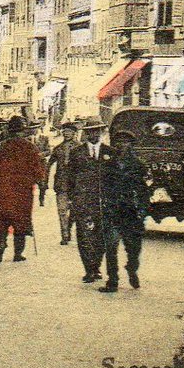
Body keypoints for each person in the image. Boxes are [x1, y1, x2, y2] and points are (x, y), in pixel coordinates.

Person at [0, 116, 46, 263]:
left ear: (9, 131)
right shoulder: (30, 147)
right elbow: (38, 172)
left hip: (1, 191)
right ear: (23, 131)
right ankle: (18, 254)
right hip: (22, 192)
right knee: (21, 222)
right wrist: (39, 180)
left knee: (1, 220)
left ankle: (2, 243)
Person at [96, 127, 151, 293]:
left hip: (131, 210)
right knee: (111, 247)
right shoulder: (107, 163)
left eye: (125, 142)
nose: (121, 145)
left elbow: (144, 189)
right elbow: (102, 184)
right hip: (112, 209)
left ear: (131, 145)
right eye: (118, 142)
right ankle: (112, 280)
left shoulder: (139, 165)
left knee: (133, 247)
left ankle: (132, 268)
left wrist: (143, 208)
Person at [68, 119, 112, 282]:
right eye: (90, 131)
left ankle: (96, 266)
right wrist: (71, 199)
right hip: (83, 200)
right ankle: (89, 269)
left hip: (103, 201)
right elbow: (70, 177)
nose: (93, 134)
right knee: (84, 235)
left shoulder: (110, 152)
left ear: (101, 132)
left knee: (101, 236)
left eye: (97, 131)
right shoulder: (76, 153)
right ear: (85, 133)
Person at [48, 122, 82, 246]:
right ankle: (65, 235)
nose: (67, 134)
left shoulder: (80, 148)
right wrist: (44, 181)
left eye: (69, 132)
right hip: (61, 184)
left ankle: (68, 228)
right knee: (62, 210)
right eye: (65, 131)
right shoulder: (58, 149)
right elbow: (49, 163)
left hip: (76, 184)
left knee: (74, 210)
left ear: (74, 133)